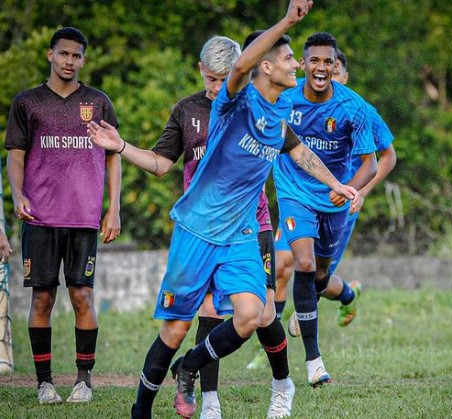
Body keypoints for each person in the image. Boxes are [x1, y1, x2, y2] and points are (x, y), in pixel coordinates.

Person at [89, 2, 358, 418]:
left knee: (254, 314)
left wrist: (337, 183)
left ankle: (195, 368)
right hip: (197, 229)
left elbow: (300, 151)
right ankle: (140, 410)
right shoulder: (231, 103)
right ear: (264, 68)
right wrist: (287, 21)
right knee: (177, 329)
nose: (298, 66)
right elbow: (239, 71)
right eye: (290, 59)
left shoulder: (278, 112)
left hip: (242, 232)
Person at [89, 34, 289, 419]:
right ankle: (182, 403)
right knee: (191, 321)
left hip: (251, 224)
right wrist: (120, 146)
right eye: (210, 78)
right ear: (200, 70)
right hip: (200, 232)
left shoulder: (253, 107)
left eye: (224, 78)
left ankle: (282, 385)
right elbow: (162, 164)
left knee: (261, 314)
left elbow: (291, 146)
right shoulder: (187, 111)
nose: (216, 87)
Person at [4, 27, 121, 404]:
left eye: (77, 55)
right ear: (51, 56)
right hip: (40, 217)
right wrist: (18, 194)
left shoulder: (99, 102)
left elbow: (114, 154)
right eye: (64, 54)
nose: (70, 61)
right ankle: (44, 383)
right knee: (42, 298)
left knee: (82, 296)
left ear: (84, 60)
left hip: (84, 217)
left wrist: (113, 208)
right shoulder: (27, 103)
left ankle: (83, 381)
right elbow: (16, 155)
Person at [272, 32, 379, 387]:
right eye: (314, 60)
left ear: (336, 66)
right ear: (303, 64)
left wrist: (351, 189)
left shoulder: (354, 107)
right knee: (300, 262)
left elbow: (372, 164)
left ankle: (345, 294)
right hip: (293, 192)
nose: (321, 68)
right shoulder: (284, 97)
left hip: (333, 201)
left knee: (319, 275)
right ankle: (314, 362)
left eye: (327, 62)